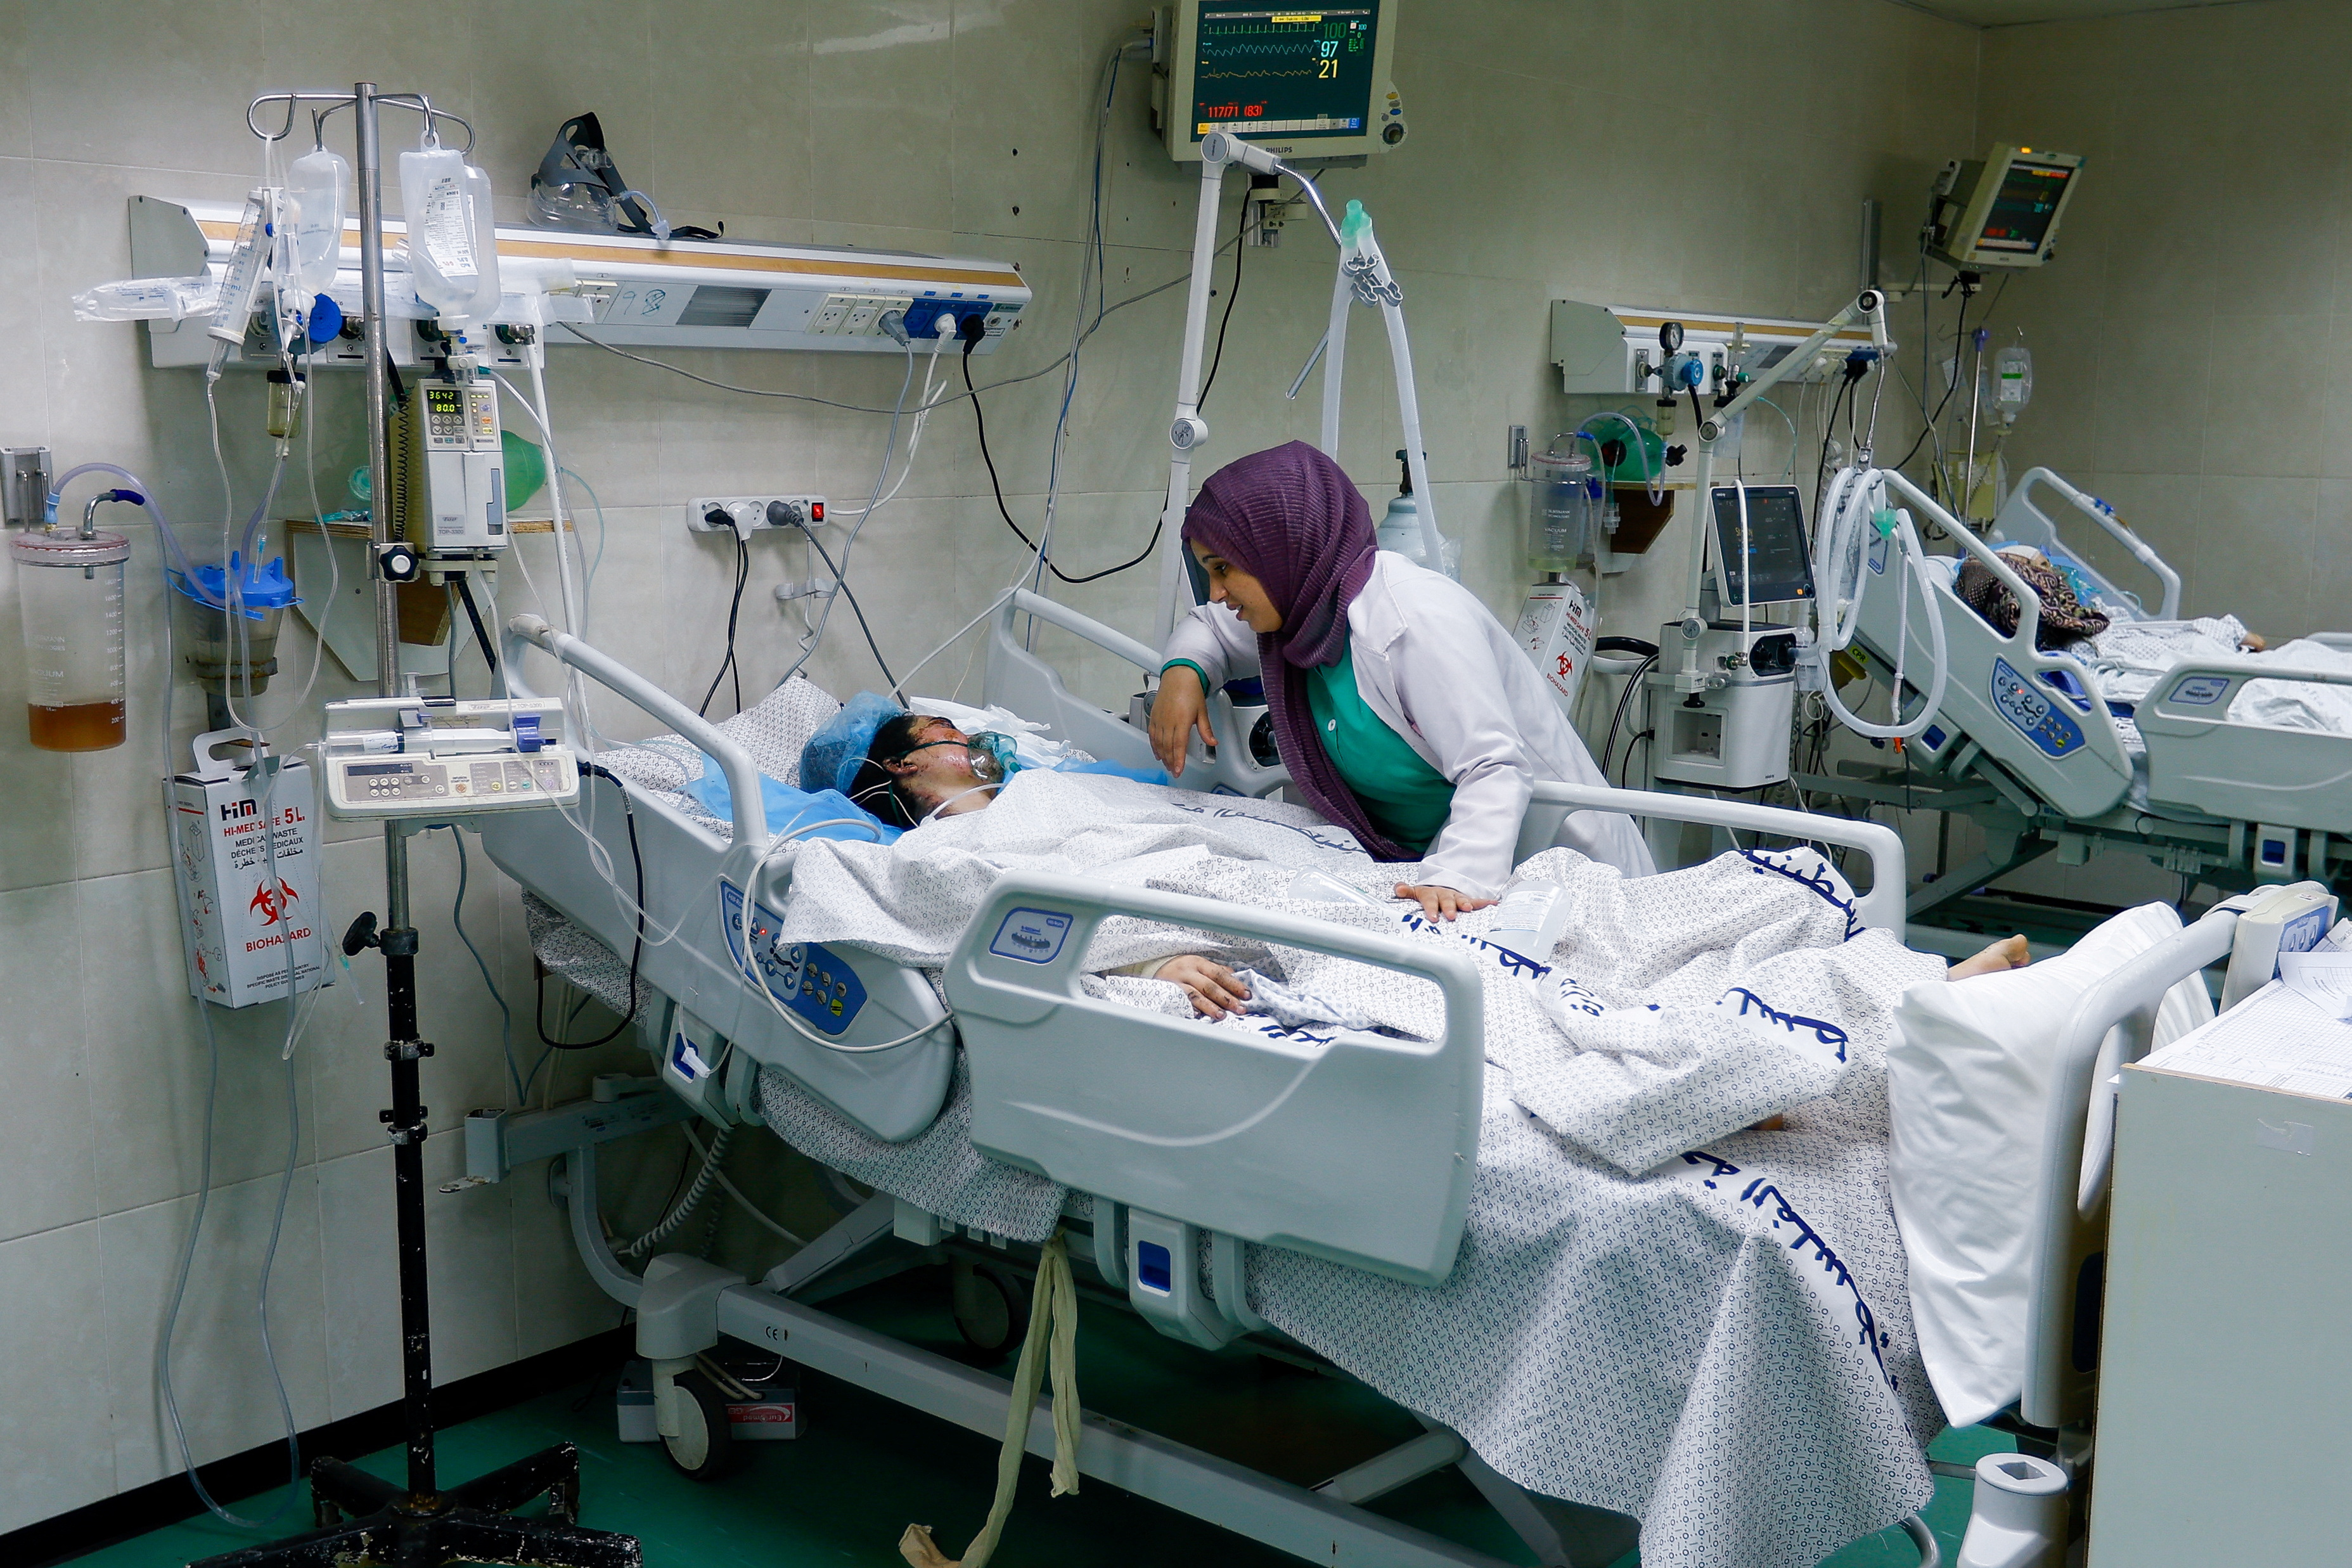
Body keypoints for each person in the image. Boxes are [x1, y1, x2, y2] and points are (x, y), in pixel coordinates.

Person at [1150, 440, 1653, 923]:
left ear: (1279, 548)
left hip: (1553, 865)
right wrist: (1182, 674)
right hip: (1415, 866)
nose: (1216, 593)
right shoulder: (1306, 616)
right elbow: (1210, 630)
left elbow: (1494, 767)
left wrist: (1455, 878)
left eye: (1223, 569)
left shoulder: (1410, 622)